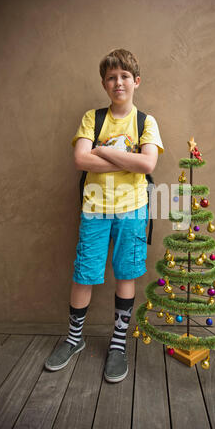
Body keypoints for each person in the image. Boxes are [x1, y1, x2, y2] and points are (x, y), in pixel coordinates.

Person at [44, 48, 164, 382]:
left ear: (136, 81)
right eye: (111, 77)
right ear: (104, 84)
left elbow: (148, 163)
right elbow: (81, 160)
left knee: (126, 273)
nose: (118, 82)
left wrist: (103, 151)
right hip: (95, 210)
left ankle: (117, 345)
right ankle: (73, 340)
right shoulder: (92, 118)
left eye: (125, 76)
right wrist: (125, 158)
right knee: (85, 273)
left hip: (134, 210)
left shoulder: (145, 122)